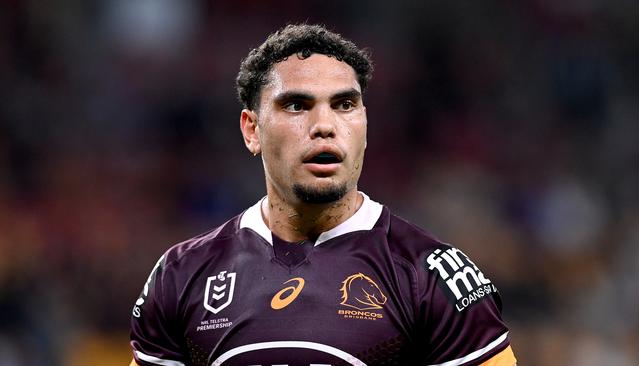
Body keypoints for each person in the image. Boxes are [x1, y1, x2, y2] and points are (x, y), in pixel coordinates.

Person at [129, 23, 517, 366]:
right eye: (297, 105)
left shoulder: (431, 276)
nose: (324, 126)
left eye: (344, 104)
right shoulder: (182, 275)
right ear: (252, 130)